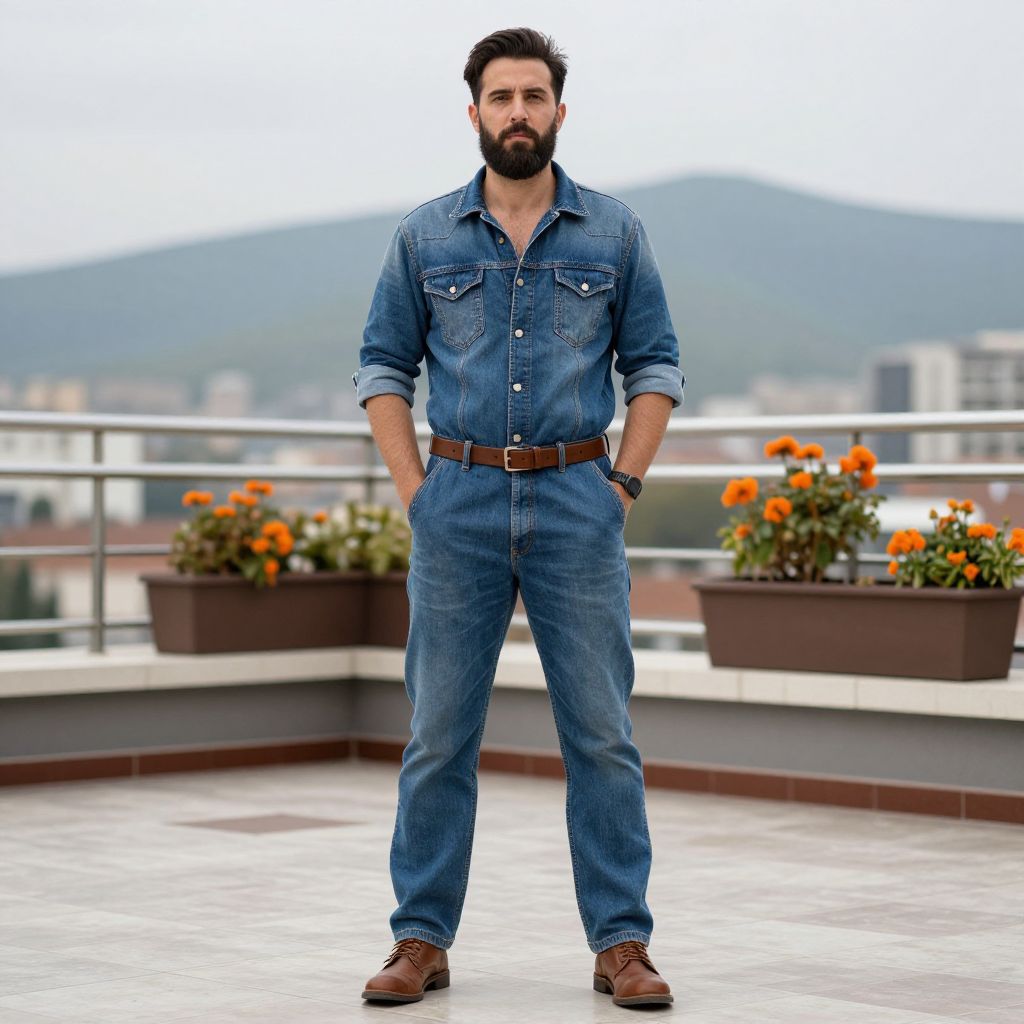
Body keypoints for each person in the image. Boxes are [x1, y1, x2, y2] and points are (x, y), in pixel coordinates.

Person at [354, 26, 684, 1009]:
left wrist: (621, 487)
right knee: (437, 736)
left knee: (602, 734)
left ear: (558, 112)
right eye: (500, 97)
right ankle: (419, 938)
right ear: (475, 113)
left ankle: (622, 943)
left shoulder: (614, 234)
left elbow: (656, 366)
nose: (517, 113)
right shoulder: (423, 237)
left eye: (533, 96)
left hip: (578, 500)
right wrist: (418, 493)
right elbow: (382, 368)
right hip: (454, 503)